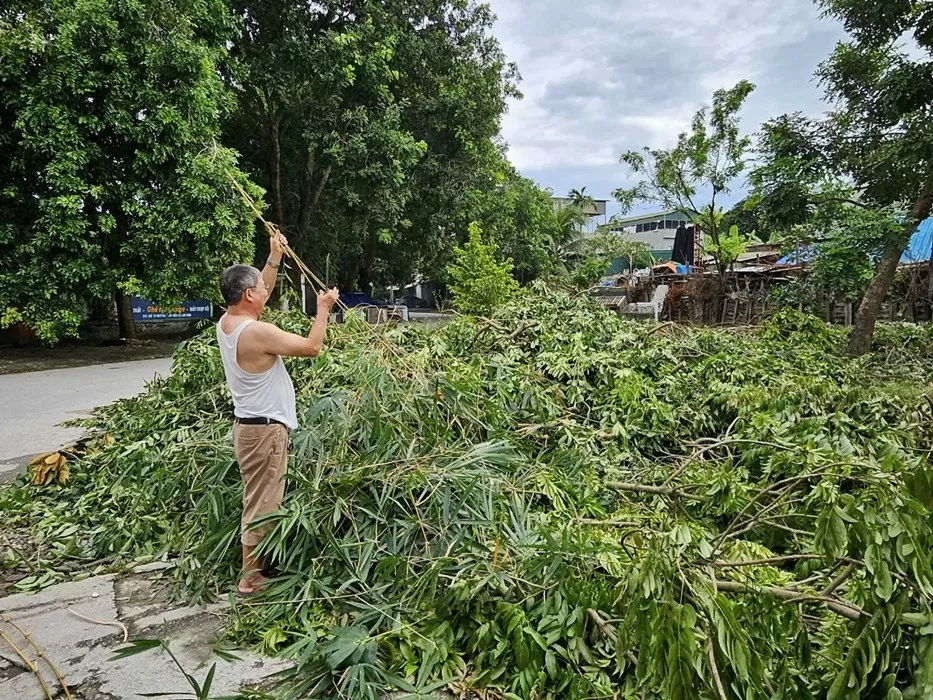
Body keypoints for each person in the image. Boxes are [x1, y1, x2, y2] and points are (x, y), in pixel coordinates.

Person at [216, 230, 339, 595]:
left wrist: (273, 258)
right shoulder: (257, 333)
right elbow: (312, 347)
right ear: (248, 295)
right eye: (260, 286)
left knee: (258, 497)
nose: (266, 289)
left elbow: (260, 291)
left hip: (250, 427)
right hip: (264, 431)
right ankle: (250, 578)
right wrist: (323, 310)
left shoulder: (229, 322)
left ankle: (258, 567)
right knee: (263, 503)